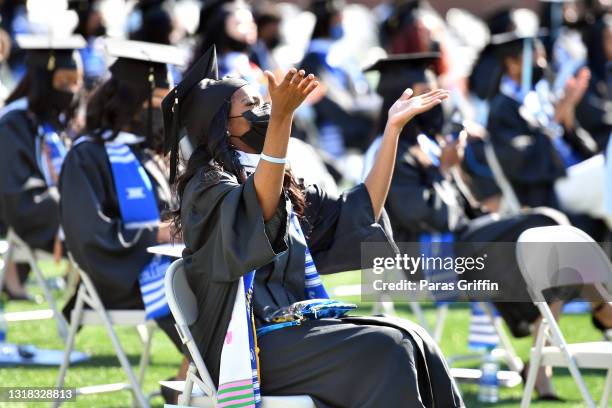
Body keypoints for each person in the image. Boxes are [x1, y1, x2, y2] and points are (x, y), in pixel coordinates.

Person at [162, 45, 462, 407]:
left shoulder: (274, 180)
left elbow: (358, 209)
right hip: (246, 344)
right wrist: (281, 122)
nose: (265, 112)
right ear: (222, 126)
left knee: (415, 339)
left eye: (265, 105)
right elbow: (258, 209)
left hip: (292, 330)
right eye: (252, 107)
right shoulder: (206, 188)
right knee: (388, 347)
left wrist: (392, 129)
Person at [363, 51, 612, 400]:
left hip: (461, 242)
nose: (434, 102)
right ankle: (603, 307)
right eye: (424, 93)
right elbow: (424, 215)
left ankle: (542, 368)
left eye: (435, 92)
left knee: (548, 244)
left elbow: (464, 210)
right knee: (546, 223)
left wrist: (466, 186)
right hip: (427, 258)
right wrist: (445, 170)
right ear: (397, 99)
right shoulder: (386, 149)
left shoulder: (425, 142)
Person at [59, 39, 186, 391]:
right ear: (130, 104)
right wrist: (160, 234)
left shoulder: (146, 154)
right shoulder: (86, 157)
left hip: (163, 268)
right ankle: (200, 378)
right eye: (156, 104)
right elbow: (90, 237)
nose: (163, 115)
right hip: (116, 277)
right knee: (201, 283)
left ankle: (196, 377)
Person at [0, 34, 85, 300]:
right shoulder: (14, 124)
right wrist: (75, 213)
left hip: (62, 210)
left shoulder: (54, 125)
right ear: (43, 81)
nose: (71, 91)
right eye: (63, 83)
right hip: (29, 217)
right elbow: (20, 196)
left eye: (76, 83)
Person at [487, 30, 598, 209]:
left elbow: (580, 145)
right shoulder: (503, 108)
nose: (542, 64)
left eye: (543, 58)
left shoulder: (540, 92)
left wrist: (567, 120)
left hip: (574, 173)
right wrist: (554, 120)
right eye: (535, 59)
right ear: (512, 64)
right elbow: (521, 162)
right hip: (548, 191)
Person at [299, 0, 379, 159]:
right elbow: (333, 104)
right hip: (335, 140)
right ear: (327, 21)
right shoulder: (314, 58)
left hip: (359, 132)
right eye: (339, 19)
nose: (342, 24)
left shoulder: (340, 53)